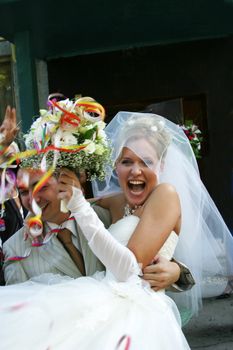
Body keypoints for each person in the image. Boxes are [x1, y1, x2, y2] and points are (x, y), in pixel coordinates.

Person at [0, 111, 198, 350]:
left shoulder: (98, 216)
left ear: (63, 182)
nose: (33, 197)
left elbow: (138, 257)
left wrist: (177, 271)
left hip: (133, 329)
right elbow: (21, 324)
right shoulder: (16, 248)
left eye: (41, 185)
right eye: (23, 192)